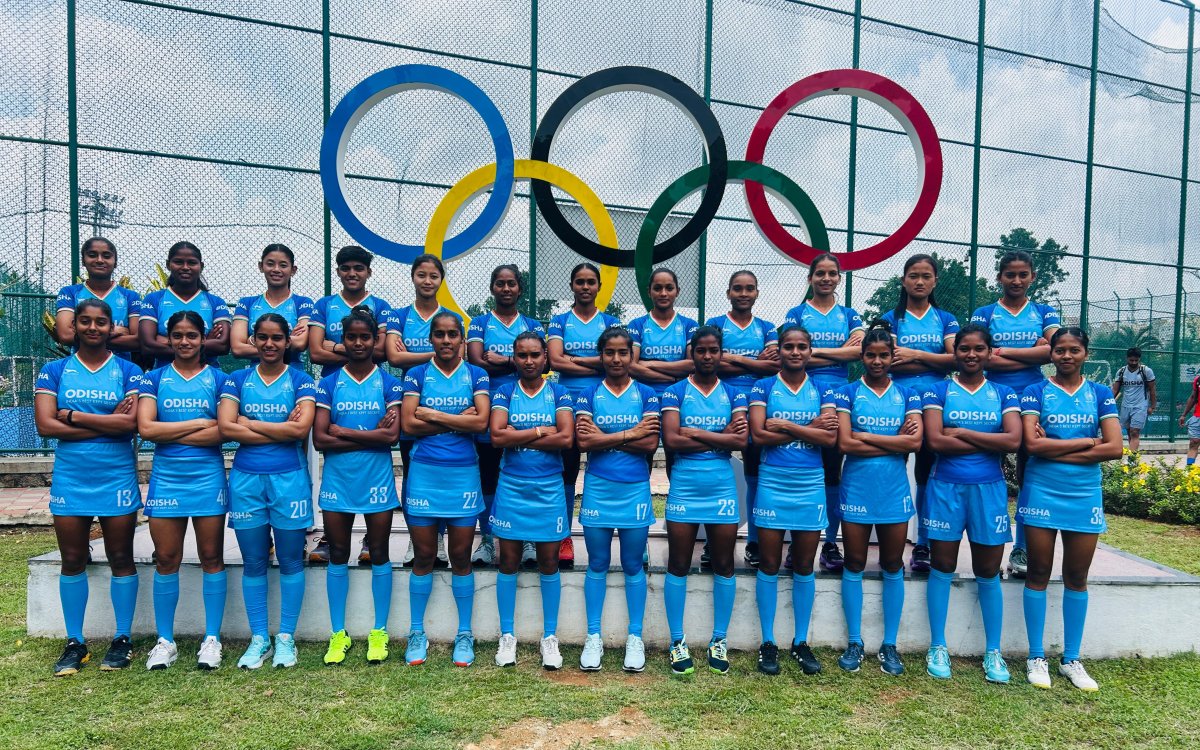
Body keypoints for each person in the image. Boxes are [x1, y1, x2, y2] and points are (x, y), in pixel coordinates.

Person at [36, 299, 143, 676]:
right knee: (72, 558)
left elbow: (130, 425)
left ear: (112, 327)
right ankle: (75, 643)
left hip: (116, 475)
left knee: (121, 557)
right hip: (72, 476)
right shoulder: (54, 370)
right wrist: (105, 423)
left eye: (101, 322)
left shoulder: (129, 370)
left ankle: (122, 639)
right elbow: (45, 426)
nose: (93, 328)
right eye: (85, 321)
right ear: (74, 326)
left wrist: (72, 416)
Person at [1019, 327, 1122, 691]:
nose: (1066, 355)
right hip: (1042, 490)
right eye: (1059, 349)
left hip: (1084, 493)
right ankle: (1036, 656)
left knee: (1077, 575)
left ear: (1085, 353)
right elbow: (1031, 445)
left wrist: (1056, 448)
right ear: (1051, 354)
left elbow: (1115, 448)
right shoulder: (1035, 391)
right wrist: (1089, 442)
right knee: (1038, 571)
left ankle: (1071, 659)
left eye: (1073, 349)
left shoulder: (1100, 393)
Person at [920, 324, 1022, 683]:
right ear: (955, 353)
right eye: (964, 348)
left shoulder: (1004, 392)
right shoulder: (938, 390)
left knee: (988, 570)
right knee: (942, 565)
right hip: (945, 487)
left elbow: (1012, 440)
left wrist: (962, 432)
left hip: (989, 489)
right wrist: (988, 439)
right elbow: (935, 441)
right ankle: (937, 645)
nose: (971, 354)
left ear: (990, 353)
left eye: (979, 348)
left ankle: (993, 651)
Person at [217, 313, 316, 670]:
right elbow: (226, 428)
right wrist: (277, 428)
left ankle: (286, 638)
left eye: (277, 338)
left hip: (290, 479)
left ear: (288, 342)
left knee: (290, 560)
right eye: (263, 337)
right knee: (254, 561)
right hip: (246, 479)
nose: (270, 344)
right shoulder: (237, 379)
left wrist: (250, 423)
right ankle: (259, 638)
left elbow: (299, 431)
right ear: (253, 341)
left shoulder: (302, 379)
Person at [138, 311, 229, 671]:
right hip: (167, 478)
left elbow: (223, 431)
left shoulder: (219, 379)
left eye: (192, 335)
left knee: (211, 557)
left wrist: (171, 431)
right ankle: (165, 641)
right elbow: (147, 429)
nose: (185, 341)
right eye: (178, 335)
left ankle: (212, 639)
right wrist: (198, 423)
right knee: (166, 558)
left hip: (207, 477)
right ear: (168, 339)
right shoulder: (154, 378)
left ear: (203, 339)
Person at [312, 307, 403, 666]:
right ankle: (339, 633)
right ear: (343, 340)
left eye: (366, 337)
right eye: (352, 337)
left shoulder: (389, 383)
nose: (359, 343)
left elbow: (392, 437)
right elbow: (320, 439)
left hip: (376, 478)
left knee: (379, 551)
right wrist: (370, 435)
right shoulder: (329, 383)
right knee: (338, 552)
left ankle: (379, 631)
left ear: (375, 340)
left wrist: (344, 431)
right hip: (339, 479)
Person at [832, 321, 923, 676]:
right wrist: (893, 441)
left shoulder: (908, 394)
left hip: (893, 490)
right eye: (870, 354)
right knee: (854, 562)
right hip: (857, 487)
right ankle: (855, 642)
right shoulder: (847, 393)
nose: (877, 361)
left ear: (892, 357)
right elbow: (844, 443)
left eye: (884, 355)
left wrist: (865, 436)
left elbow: (914, 443)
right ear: (861, 356)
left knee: (892, 563)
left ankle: (889, 644)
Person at [401, 312, 491, 668]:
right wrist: (459, 421)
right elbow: (408, 424)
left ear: (462, 339)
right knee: (424, 556)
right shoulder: (416, 373)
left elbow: (481, 422)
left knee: (461, 556)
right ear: (431, 339)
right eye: (439, 334)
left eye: (453, 334)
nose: (446, 340)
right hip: (424, 474)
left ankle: (464, 633)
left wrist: (433, 415)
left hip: (463, 475)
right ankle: (416, 632)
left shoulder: (476, 374)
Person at [747, 325, 838, 676]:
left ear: (810, 351)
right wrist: (809, 427)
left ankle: (801, 641)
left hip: (810, 483)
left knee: (803, 564)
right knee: (769, 563)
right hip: (773, 481)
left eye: (802, 346)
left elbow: (828, 439)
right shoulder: (763, 386)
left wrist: (784, 425)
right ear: (780, 350)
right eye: (789, 346)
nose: (795, 352)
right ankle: (768, 642)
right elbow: (758, 435)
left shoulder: (823, 388)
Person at [660, 326, 748, 676]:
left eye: (714, 350)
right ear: (692, 353)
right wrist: (718, 437)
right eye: (702, 350)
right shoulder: (675, 391)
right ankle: (676, 641)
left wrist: (695, 432)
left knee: (724, 563)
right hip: (685, 484)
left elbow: (740, 440)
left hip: (722, 486)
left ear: (721, 353)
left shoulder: (734, 393)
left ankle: (719, 639)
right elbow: (671, 440)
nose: (708, 356)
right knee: (678, 563)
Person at [574, 326, 660, 673]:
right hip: (598, 487)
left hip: (635, 488)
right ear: (601, 355)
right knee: (597, 563)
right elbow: (584, 442)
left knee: (633, 564)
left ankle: (634, 637)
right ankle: (593, 636)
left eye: (623, 352)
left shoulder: (647, 393)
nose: (616, 358)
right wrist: (630, 433)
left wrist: (606, 436)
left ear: (631, 355)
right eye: (609, 352)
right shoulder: (588, 394)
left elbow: (649, 444)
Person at [489, 331, 575, 670]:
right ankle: (507, 635)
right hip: (512, 485)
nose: (528, 361)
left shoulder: (559, 392)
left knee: (549, 563)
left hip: (549, 487)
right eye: (522, 355)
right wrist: (541, 431)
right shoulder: (504, 391)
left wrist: (518, 435)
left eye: (535, 355)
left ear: (546, 358)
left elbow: (565, 438)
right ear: (514, 358)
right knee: (508, 561)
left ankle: (549, 637)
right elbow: (497, 437)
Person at [970, 250, 1059, 578]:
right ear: (1000, 277)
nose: (1017, 280)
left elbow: (1054, 350)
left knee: (1027, 474)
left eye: (1023, 274)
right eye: (1010, 274)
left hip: (1032, 399)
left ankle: (1021, 547)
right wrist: (1032, 353)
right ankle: (986, 544)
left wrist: (1005, 351)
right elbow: (982, 357)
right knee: (984, 469)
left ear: (1032, 277)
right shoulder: (984, 313)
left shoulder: (1044, 311)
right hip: (990, 399)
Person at [782, 253, 865, 573]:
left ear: (839, 278)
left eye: (832, 273)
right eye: (820, 273)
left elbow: (858, 353)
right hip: (801, 394)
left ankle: (829, 542)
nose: (826, 278)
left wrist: (812, 351)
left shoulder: (850, 314)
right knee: (799, 468)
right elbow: (792, 354)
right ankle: (795, 543)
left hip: (839, 397)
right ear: (810, 278)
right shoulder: (796, 313)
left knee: (832, 470)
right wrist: (839, 351)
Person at [878, 254, 958, 573]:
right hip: (896, 401)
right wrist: (933, 360)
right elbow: (890, 361)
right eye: (913, 276)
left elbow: (955, 359)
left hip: (935, 403)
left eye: (926, 276)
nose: (920, 281)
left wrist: (914, 354)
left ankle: (923, 543)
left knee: (926, 470)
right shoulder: (890, 318)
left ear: (935, 281)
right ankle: (890, 544)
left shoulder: (946, 318)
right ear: (903, 280)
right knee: (891, 467)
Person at [466, 265, 544, 568]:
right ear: (492, 288)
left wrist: (505, 359)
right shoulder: (480, 322)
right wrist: (515, 364)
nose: (506, 289)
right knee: (488, 475)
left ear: (520, 289)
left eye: (512, 283)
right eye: (500, 283)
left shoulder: (532, 325)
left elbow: (543, 364)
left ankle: (527, 538)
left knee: (525, 473)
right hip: (488, 408)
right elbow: (476, 361)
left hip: (527, 407)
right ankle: (487, 538)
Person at [387, 254, 459, 569]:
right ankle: (416, 540)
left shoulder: (449, 317)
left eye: (433, 276)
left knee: (443, 476)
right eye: (421, 275)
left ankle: (439, 540)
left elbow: (460, 355)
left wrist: (415, 354)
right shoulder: (399, 315)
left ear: (441, 280)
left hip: (448, 400)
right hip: (413, 401)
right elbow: (393, 358)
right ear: (413, 277)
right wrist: (437, 353)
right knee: (412, 472)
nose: (427, 281)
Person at [549, 263, 621, 569]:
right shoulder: (560, 320)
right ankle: (564, 537)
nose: (585, 287)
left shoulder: (610, 322)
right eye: (580, 281)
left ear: (599, 286)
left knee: (607, 467)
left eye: (591, 282)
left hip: (602, 403)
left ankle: (627, 534)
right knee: (567, 471)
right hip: (566, 404)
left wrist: (575, 359)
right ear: (572, 285)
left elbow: (613, 360)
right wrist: (596, 361)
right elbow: (555, 360)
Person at [706, 270, 779, 568]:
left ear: (757, 292)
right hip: (719, 404)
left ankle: (754, 542)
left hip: (758, 405)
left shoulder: (767, 327)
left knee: (754, 474)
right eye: (738, 288)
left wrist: (732, 359)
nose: (744, 294)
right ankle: (711, 544)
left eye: (750, 288)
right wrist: (753, 363)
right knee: (713, 470)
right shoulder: (715, 324)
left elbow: (772, 366)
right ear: (728, 293)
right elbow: (711, 363)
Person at [138, 241, 231, 369]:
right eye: (178, 262)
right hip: (164, 374)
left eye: (192, 263)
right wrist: (204, 341)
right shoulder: (153, 300)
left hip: (208, 374)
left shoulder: (216, 303)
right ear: (168, 265)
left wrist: (166, 341)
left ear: (201, 266)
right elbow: (147, 346)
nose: (185, 267)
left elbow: (223, 346)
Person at [308, 245, 392, 378]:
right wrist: (361, 357)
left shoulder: (381, 306)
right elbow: (315, 354)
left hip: (371, 380)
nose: (352, 274)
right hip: (332, 381)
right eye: (345, 268)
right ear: (338, 272)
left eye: (358, 268)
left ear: (369, 272)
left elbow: (381, 353)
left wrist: (336, 347)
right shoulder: (324, 304)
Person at [54, 237, 142, 358]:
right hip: (79, 366)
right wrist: (116, 331)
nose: (100, 260)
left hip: (120, 366)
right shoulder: (69, 293)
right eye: (92, 255)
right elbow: (65, 335)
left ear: (115, 262)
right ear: (83, 261)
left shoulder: (130, 296)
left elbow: (138, 341)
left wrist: (87, 337)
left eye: (106, 256)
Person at [230, 244, 314, 365]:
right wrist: (286, 340)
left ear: (293, 270)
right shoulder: (246, 303)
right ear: (261, 266)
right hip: (254, 374)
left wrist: (252, 340)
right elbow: (237, 348)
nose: (276, 269)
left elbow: (301, 343)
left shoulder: (303, 303)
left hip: (293, 373)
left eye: (283, 265)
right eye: (270, 264)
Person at [628, 267, 698, 400]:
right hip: (644, 396)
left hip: (680, 396)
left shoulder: (690, 325)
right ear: (649, 292)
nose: (663, 293)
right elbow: (631, 366)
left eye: (669, 288)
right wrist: (673, 378)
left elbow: (692, 364)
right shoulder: (636, 325)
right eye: (657, 288)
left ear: (677, 291)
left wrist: (649, 364)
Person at [1112, 347, 1157, 453]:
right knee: (1129, 432)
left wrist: (1152, 406)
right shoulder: (1121, 371)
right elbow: (1115, 389)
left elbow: (1152, 389)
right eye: (1131, 360)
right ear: (1127, 358)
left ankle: (1131, 458)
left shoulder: (1146, 371)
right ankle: (1133, 456)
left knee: (1134, 431)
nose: (1134, 362)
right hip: (1126, 405)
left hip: (1140, 405)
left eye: (1136, 360)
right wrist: (1107, 402)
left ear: (1139, 359)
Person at [1179, 372, 1200, 466]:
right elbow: (1193, 398)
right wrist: (1183, 415)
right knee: (1194, 442)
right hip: (1197, 416)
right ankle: (1190, 469)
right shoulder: (1198, 380)